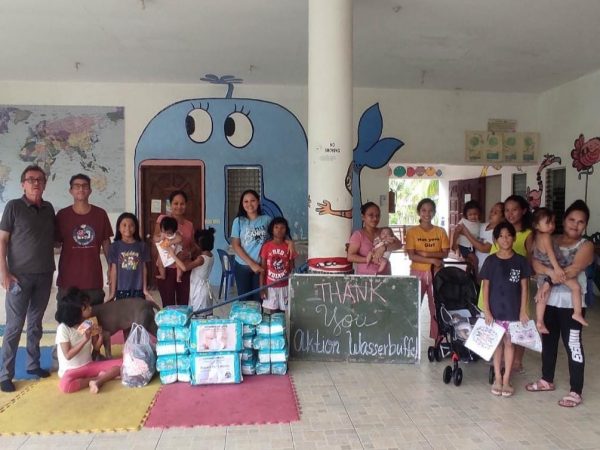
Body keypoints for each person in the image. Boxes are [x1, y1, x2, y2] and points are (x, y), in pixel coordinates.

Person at [526, 200, 594, 408]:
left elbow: (572, 271)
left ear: (585, 226)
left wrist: (547, 281)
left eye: (581, 222)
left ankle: (576, 390)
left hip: (571, 305)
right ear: (563, 220)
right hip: (548, 303)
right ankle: (547, 379)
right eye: (572, 219)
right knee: (548, 341)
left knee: (573, 344)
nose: (575, 224)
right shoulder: (550, 239)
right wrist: (547, 275)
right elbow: (535, 262)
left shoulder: (586, 245)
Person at [0, 165, 56, 393]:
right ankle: (5, 374)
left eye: (40, 180)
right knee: (14, 327)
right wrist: (3, 273)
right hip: (18, 277)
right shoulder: (13, 207)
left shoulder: (49, 209)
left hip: (44, 275)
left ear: (44, 184)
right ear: (23, 183)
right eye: (31, 179)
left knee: (35, 324)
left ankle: (33, 365)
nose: (35, 183)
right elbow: (2, 241)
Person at [477, 195, 533, 373]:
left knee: (517, 328)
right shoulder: (498, 231)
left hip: (514, 289)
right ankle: (498, 360)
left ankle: (516, 362)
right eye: (506, 210)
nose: (510, 213)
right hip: (494, 285)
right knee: (494, 326)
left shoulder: (527, 234)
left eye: (514, 209)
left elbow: (530, 261)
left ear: (523, 211)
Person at [481, 222, 530, 397]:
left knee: (510, 343)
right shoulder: (490, 261)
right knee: (497, 344)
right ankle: (497, 379)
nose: (505, 239)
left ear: (514, 238)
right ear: (495, 239)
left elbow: (525, 288)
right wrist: (487, 310)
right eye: (501, 236)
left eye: (508, 235)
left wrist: (523, 310)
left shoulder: (520, 261)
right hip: (495, 311)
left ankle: (507, 379)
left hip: (512, 311)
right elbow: (485, 287)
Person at [55, 173, 113, 305]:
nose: (81, 189)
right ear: (71, 191)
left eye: (84, 186)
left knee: (93, 323)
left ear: (90, 190)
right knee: (67, 322)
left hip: (92, 279)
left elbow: (106, 242)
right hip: (67, 280)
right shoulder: (62, 215)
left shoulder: (100, 214)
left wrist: (111, 267)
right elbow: (56, 243)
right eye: (77, 186)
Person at [55, 288, 120, 394]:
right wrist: (84, 340)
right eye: (87, 307)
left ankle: (98, 381)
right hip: (70, 371)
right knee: (65, 386)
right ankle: (99, 378)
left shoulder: (88, 323)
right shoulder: (63, 328)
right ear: (77, 311)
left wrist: (100, 335)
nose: (91, 308)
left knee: (122, 364)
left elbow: (96, 348)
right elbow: (68, 355)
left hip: (89, 366)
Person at [532, 207, 587, 333]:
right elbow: (551, 254)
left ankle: (539, 320)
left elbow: (536, 258)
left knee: (543, 295)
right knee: (576, 287)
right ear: (536, 225)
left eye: (553, 222)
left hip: (545, 272)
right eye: (548, 223)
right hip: (555, 269)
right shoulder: (546, 237)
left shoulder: (536, 238)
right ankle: (577, 313)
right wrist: (556, 269)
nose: (551, 226)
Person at [405, 198, 449, 340]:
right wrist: (432, 260)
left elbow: (445, 253)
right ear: (419, 212)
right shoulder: (412, 232)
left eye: (430, 210)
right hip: (417, 273)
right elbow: (412, 256)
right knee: (413, 306)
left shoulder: (440, 231)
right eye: (424, 210)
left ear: (434, 212)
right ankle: (409, 339)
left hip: (437, 273)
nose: (427, 213)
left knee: (436, 306)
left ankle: (438, 338)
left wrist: (425, 253)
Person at [154, 190, 195, 306]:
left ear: (186, 205)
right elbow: (155, 238)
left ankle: (182, 324)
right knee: (168, 304)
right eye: (175, 203)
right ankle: (168, 324)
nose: (179, 206)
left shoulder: (189, 225)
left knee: (183, 303)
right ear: (170, 204)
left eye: (182, 204)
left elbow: (192, 246)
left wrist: (188, 254)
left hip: (182, 268)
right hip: (165, 267)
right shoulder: (163, 219)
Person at [230, 190, 271, 302]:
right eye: (246, 201)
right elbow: (236, 245)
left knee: (259, 300)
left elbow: (278, 236)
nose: (249, 204)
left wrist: (290, 243)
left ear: (258, 202)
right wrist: (251, 264)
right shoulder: (238, 221)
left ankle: (258, 320)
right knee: (244, 301)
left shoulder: (267, 220)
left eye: (252, 200)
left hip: (260, 267)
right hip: (242, 266)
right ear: (242, 204)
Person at [169, 228, 216, 313]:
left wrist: (173, 255)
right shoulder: (210, 255)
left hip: (200, 291)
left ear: (199, 245)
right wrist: (188, 255)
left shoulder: (201, 259)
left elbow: (184, 268)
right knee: (206, 314)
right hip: (204, 288)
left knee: (199, 315)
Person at [347, 202, 402, 275]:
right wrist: (370, 259)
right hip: (365, 276)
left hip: (385, 274)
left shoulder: (384, 232)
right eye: (371, 215)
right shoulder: (358, 235)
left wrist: (384, 248)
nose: (375, 218)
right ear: (363, 217)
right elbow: (350, 257)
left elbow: (399, 244)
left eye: (378, 215)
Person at [108, 213, 152, 301]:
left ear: (136, 228)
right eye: (124, 225)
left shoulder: (142, 246)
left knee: (137, 313)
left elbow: (144, 268)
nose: (127, 228)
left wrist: (145, 290)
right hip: (121, 289)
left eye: (131, 225)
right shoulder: (114, 246)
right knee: (123, 313)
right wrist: (112, 293)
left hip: (137, 289)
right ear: (118, 228)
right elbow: (114, 270)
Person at [454, 202, 504, 279]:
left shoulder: (499, 232)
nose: (491, 214)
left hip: (487, 270)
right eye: (491, 211)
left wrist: (465, 232)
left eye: (496, 212)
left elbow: (484, 249)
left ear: (503, 217)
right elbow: (464, 232)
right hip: (474, 265)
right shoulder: (481, 225)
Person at [259, 217, 298, 313]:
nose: (279, 230)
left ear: (286, 230)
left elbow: (292, 268)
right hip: (271, 286)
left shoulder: (289, 246)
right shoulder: (266, 247)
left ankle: (284, 328)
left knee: (285, 312)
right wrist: (262, 288)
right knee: (273, 313)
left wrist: (293, 286)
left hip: (285, 286)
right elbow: (263, 269)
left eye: (282, 227)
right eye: (276, 227)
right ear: (271, 229)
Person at [451, 200, 481, 276]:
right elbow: (456, 233)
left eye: (475, 214)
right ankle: (477, 277)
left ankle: (467, 276)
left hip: (472, 246)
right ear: (466, 215)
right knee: (475, 260)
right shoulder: (463, 222)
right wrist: (454, 244)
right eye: (470, 214)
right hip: (464, 246)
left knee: (470, 264)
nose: (473, 216)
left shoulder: (478, 223)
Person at [155, 216, 183, 283]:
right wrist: (160, 238)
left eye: (168, 232)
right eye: (163, 231)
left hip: (175, 251)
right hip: (164, 251)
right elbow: (155, 239)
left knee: (179, 263)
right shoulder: (161, 234)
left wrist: (171, 242)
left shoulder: (176, 234)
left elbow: (180, 239)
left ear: (174, 230)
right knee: (160, 262)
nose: (166, 234)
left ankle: (179, 277)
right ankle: (162, 275)